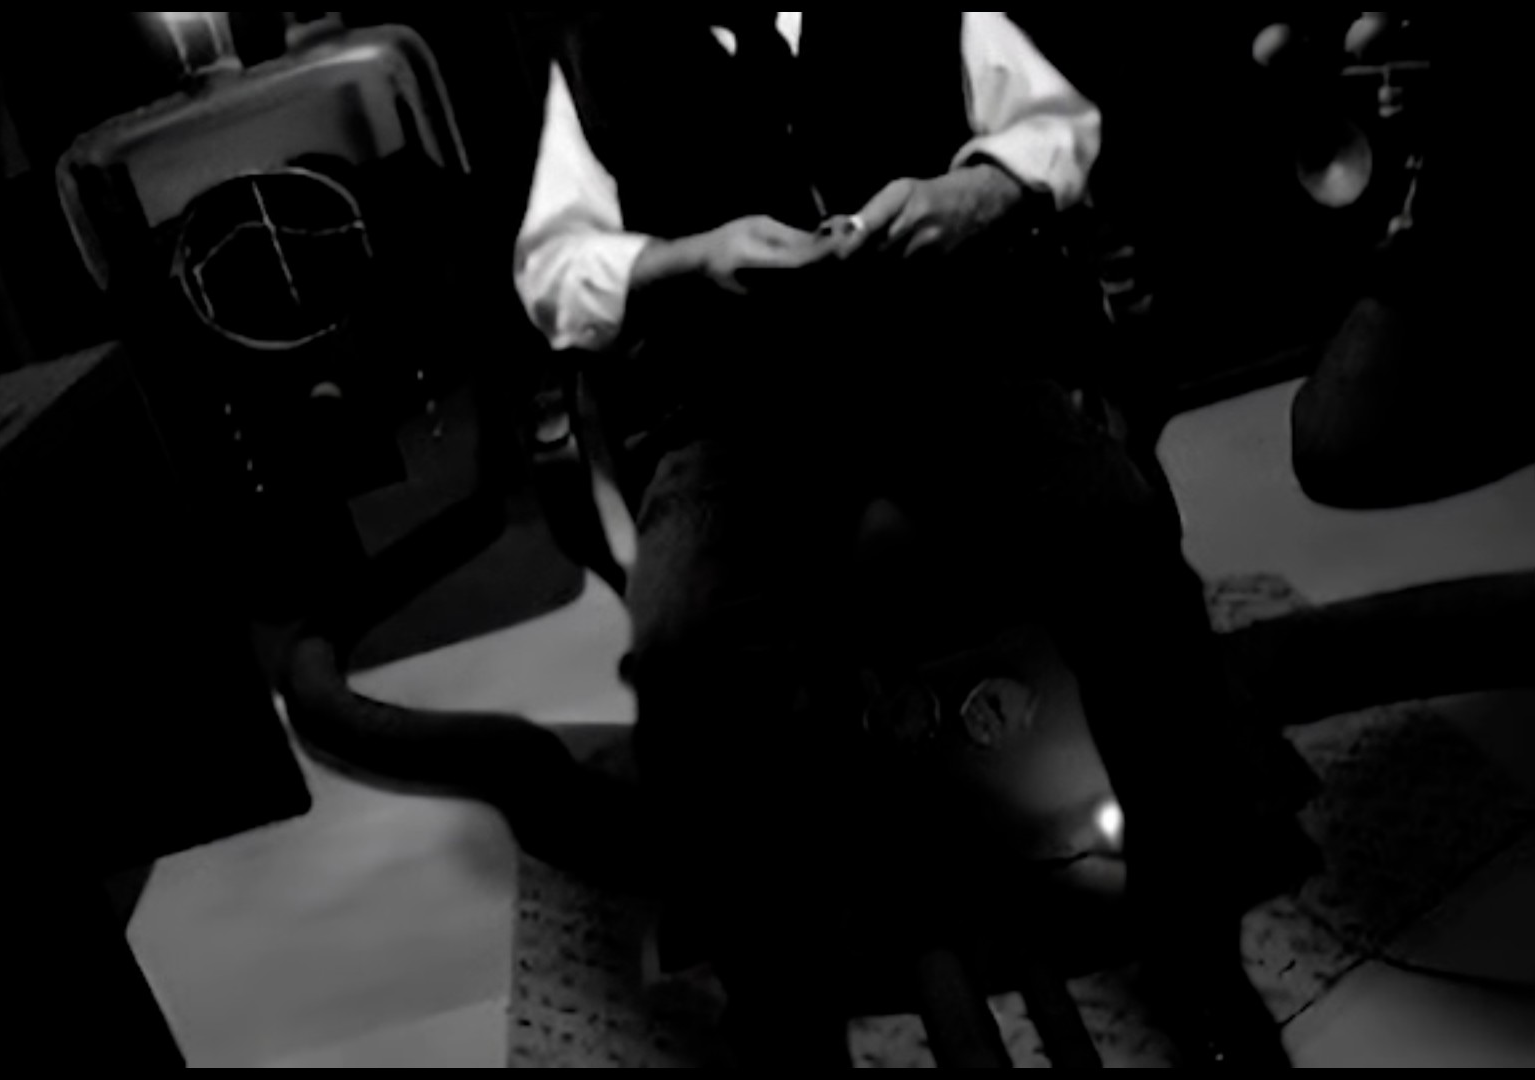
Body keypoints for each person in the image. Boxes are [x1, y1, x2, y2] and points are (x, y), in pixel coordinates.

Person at [515, 11, 1318, 1067]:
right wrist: (686, 258)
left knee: (1124, 547)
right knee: (684, 650)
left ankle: (1196, 948)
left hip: (952, 368)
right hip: (737, 411)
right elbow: (553, 269)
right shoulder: (603, 39)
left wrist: (976, 191)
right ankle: (785, 1019)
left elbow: (1054, 127)